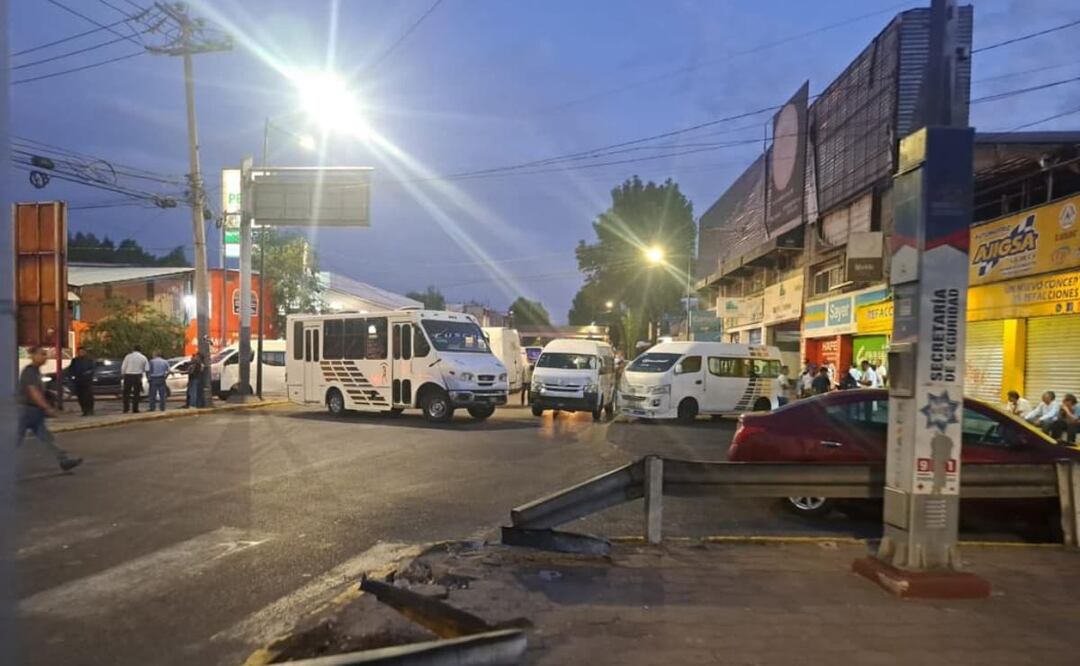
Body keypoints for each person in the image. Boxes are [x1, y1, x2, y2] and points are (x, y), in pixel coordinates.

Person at [18, 346, 83, 472]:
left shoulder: (36, 372)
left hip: (34, 412)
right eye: (42, 354)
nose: (45, 357)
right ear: (33, 356)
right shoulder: (29, 372)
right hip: (26, 410)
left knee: (46, 438)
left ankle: (63, 460)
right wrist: (46, 407)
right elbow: (33, 392)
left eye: (45, 354)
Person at [67, 347, 96, 416]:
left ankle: (90, 410)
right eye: (80, 352)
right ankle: (84, 411)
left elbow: (93, 369)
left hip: (87, 381)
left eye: (82, 352)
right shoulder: (75, 360)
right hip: (78, 381)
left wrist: (88, 373)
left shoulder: (89, 360)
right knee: (80, 397)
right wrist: (71, 376)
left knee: (88, 396)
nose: (81, 353)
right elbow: (71, 369)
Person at [121, 345, 149, 413]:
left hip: (128, 375)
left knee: (126, 393)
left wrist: (123, 374)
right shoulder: (143, 357)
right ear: (140, 350)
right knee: (136, 393)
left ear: (133, 349)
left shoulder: (128, 356)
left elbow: (123, 367)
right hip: (137, 376)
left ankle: (126, 408)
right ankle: (135, 409)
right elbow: (147, 369)